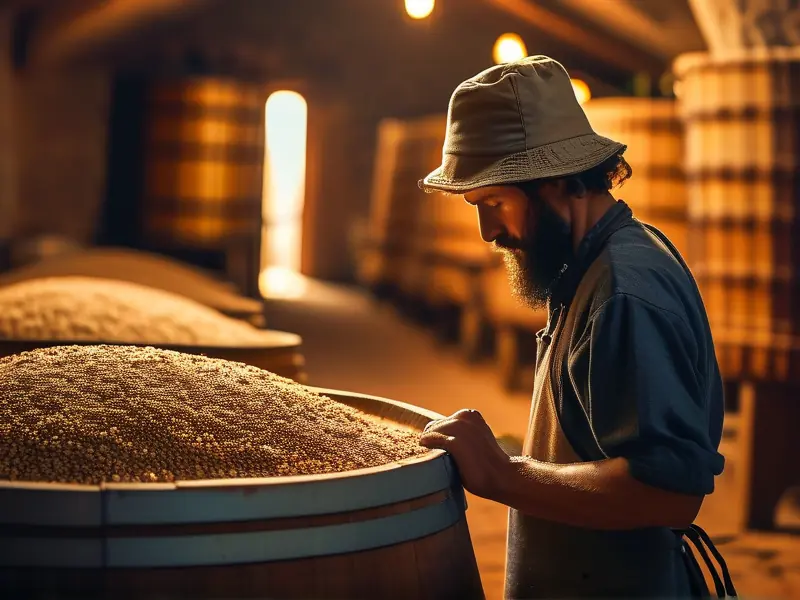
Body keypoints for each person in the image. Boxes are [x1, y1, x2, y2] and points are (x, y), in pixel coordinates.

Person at [417, 56, 737, 599]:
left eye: (495, 203)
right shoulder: (589, 266)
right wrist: (529, 452)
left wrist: (505, 475)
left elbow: (667, 493)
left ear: (559, 183)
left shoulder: (624, 290)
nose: (488, 231)